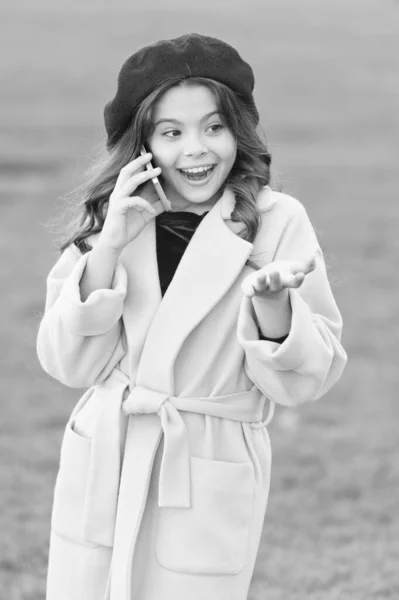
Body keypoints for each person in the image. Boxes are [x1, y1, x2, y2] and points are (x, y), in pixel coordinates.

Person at [36, 33, 347, 600]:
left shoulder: (277, 221)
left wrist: (275, 308)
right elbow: (68, 364)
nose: (197, 150)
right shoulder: (116, 217)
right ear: (143, 144)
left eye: (214, 127)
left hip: (206, 461)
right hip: (107, 453)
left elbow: (308, 379)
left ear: (239, 130)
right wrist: (106, 250)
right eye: (171, 132)